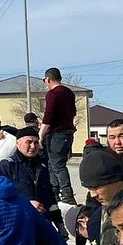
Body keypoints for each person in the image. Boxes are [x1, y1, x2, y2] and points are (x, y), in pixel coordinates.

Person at [37, 68, 78, 204]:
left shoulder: (53, 94)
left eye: (45, 80)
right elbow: (73, 112)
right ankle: (53, 191)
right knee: (52, 164)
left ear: (48, 79)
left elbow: (48, 116)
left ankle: (67, 194)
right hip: (68, 133)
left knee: (57, 164)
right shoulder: (69, 93)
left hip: (57, 134)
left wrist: (41, 135)